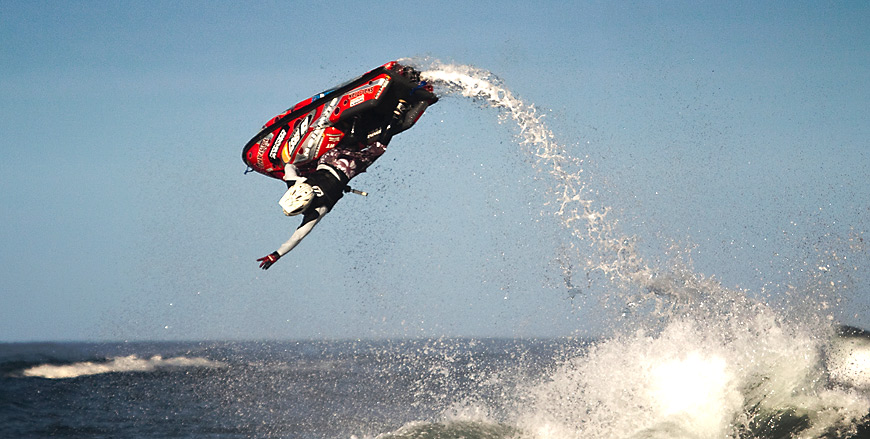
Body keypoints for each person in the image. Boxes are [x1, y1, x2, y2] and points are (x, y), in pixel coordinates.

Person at [256, 141, 388, 269]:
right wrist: (302, 170)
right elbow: (289, 166)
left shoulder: (317, 210)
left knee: (377, 150)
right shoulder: (295, 184)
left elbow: (297, 237)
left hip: (347, 167)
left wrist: (277, 254)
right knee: (351, 141)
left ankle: (395, 119)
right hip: (328, 158)